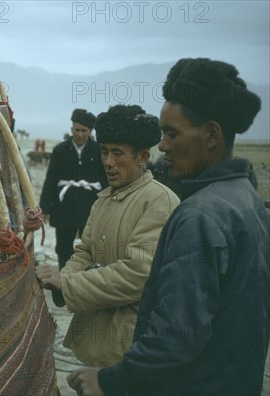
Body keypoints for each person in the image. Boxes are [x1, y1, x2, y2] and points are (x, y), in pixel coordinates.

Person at [68, 58, 270, 396]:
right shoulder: (247, 198)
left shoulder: (200, 215)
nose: (162, 146)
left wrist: (109, 380)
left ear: (210, 135)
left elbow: (176, 335)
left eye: (172, 134)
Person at [36, 104, 180, 366]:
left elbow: (137, 275)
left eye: (117, 153)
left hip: (132, 346)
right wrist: (60, 280)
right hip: (96, 338)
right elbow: (85, 252)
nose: (108, 163)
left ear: (143, 157)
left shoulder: (158, 201)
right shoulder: (103, 199)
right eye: (104, 152)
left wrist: (67, 284)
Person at [39, 108, 108, 307]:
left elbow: (104, 180)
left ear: (90, 132)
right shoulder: (60, 150)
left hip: (90, 206)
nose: (79, 134)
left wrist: (106, 203)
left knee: (90, 247)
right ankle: (61, 290)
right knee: (63, 248)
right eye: (76, 130)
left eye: (84, 131)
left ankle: (86, 288)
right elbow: (51, 179)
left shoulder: (97, 150)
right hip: (65, 207)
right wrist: (45, 207)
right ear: (72, 128)